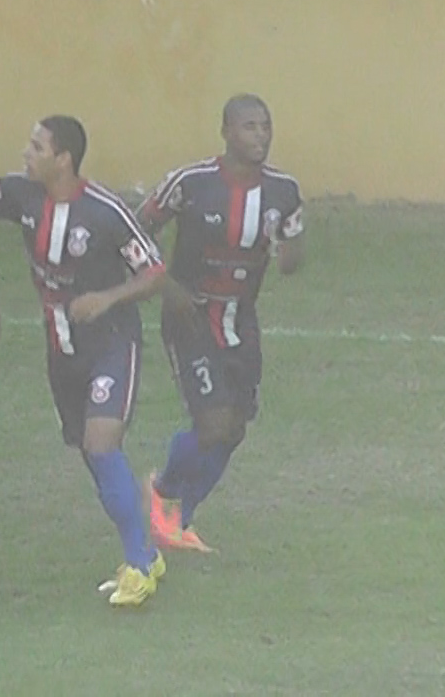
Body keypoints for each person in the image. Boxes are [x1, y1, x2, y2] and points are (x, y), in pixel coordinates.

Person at [0, 107, 171, 607]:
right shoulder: (20, 195)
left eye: (36, 147)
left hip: (112, 342)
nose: (26, 154)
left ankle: (138, 564)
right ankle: (146, 555)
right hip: (62, 349)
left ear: (64, 159)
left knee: (101, 443)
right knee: (92, 455)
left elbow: (154, 272)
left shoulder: (104, 211)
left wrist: (107, 298)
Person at [138, 94, 304, 554]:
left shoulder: (283, 190)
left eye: (265, 126)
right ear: (227, 131)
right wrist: (163, 282)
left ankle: (179, 520)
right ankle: (164, 490)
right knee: (212, 424)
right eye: (249, 127)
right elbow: (135, 231)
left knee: (234, 430)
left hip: (240, 319)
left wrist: (290, 251)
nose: (260, 136)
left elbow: (293, 249)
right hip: (190, 316)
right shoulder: (190, 183)